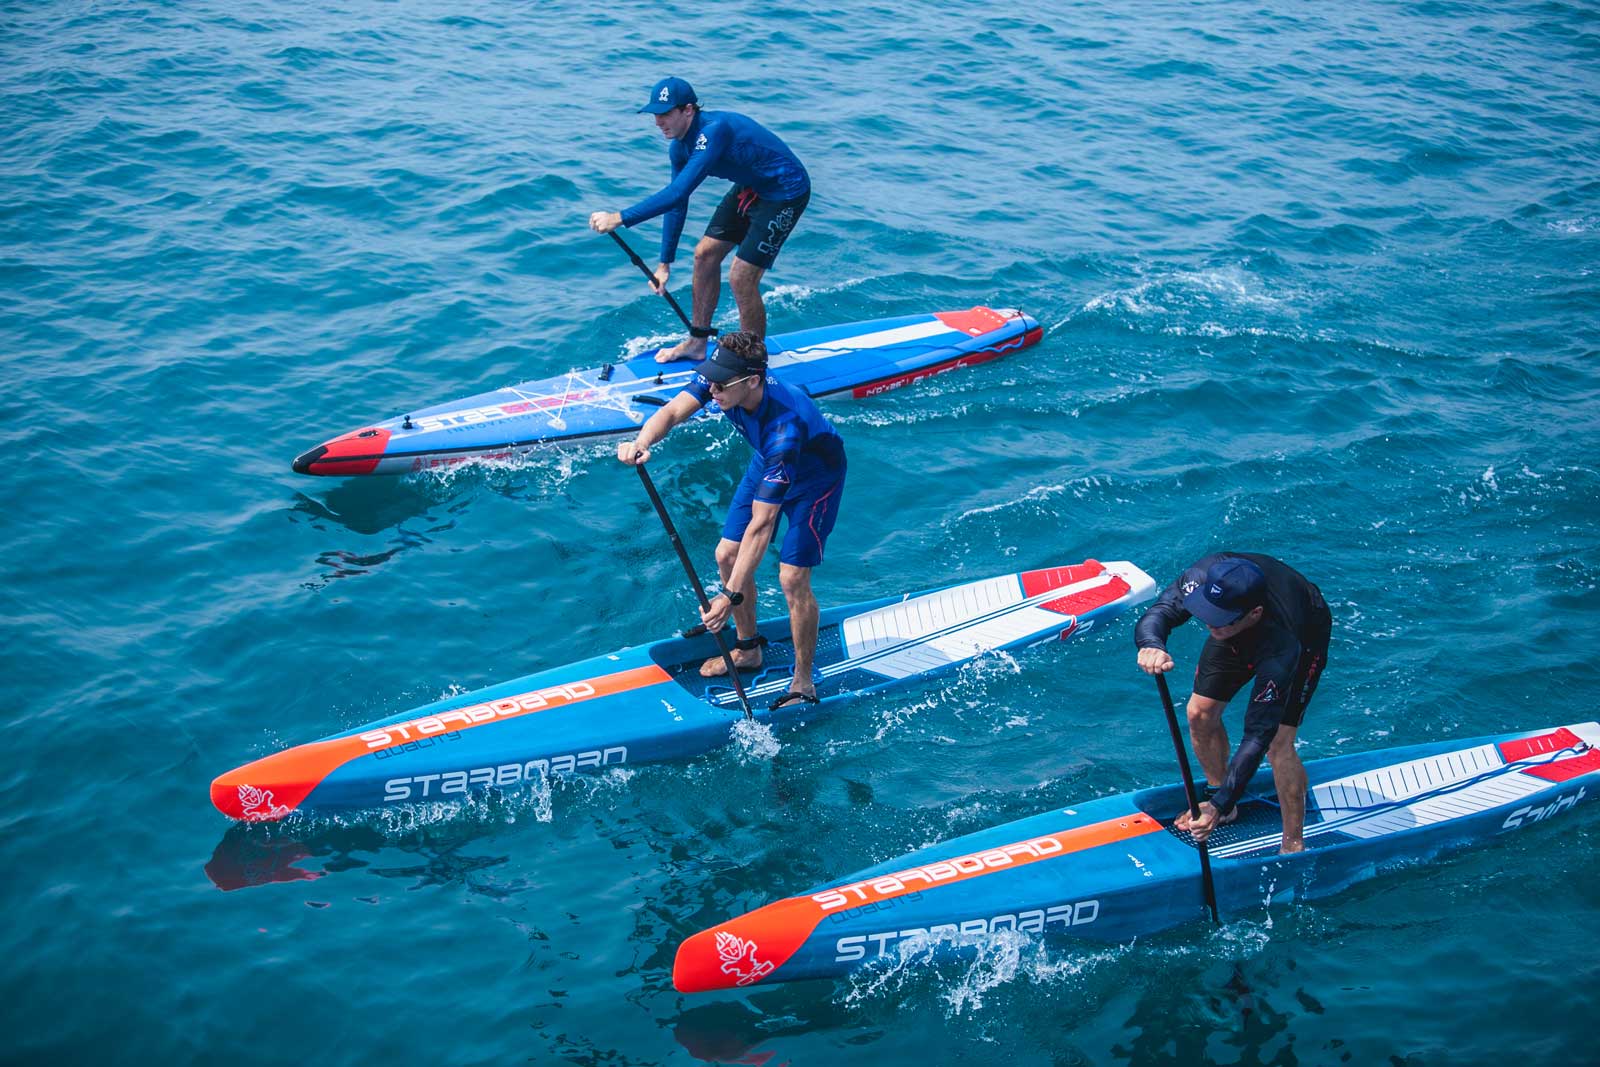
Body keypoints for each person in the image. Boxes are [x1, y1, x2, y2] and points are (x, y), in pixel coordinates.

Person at [617, 331, 845, 708]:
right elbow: (672, 412)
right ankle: (747, 648)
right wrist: (642, 441)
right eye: (710, 380)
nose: (712, 391)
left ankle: (803, 681)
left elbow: (761, 525)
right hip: (767, 465)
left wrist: (727, 596)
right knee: (726, 555)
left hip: (814, 479)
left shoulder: (784, 429)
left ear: (752, 381)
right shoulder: (725, 378)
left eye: (720, 385)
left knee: (792, 578)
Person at [588, 77, 811, 364]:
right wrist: (663, 264)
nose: (658, 122)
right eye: (655, 114)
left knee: (741, 276)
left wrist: (619, 218)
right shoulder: (679, 148)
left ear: (689, 110)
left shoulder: (714, 131)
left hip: (784, 190)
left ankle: (752, 362)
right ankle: (697, 342)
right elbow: (678, 201)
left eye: (665, 113)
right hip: (751, 187)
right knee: (704, 255)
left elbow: (677, 192)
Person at [1133, 553, 1331, 853]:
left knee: (1279, 741)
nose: (1210, 624)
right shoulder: (1202, 577)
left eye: (1220, 620)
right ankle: (1223, 801)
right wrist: (1151, 644)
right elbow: (1159, 613)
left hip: (1304, 630)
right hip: (1244, 625)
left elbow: (1257, 735)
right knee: (1199, 713)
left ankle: (1293, 843)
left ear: (1253, 613)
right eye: (1207, 613)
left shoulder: (1282, 646)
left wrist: (1218, 804)